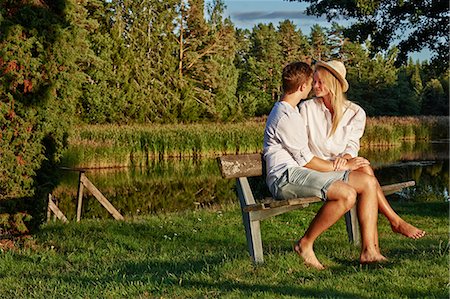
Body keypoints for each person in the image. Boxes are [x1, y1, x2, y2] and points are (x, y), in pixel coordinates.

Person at [263, 61, 386, 270]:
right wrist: (345, 165)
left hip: (298, 172)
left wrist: (345, 161)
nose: (313, 87)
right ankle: (305, 244)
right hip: (285, 177)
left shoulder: (291, 112)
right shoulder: (285, 116)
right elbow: (307, 160)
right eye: (312, 82)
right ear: (303, 87)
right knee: (347, 195)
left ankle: (370, 251)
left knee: (366, 181)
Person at [299, 60, 425, 240]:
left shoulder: (355, 112)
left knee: (364, 166)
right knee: (366, 172)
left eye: (320, 82)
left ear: (333, 83)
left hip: (342, 166)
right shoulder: (307, 108)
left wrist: (346, 157)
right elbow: (303, 147)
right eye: (314, 81)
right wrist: (339, 164)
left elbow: (352, 143)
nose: (315, 86)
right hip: (318, 168)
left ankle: (376, 242)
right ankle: (393, 222)